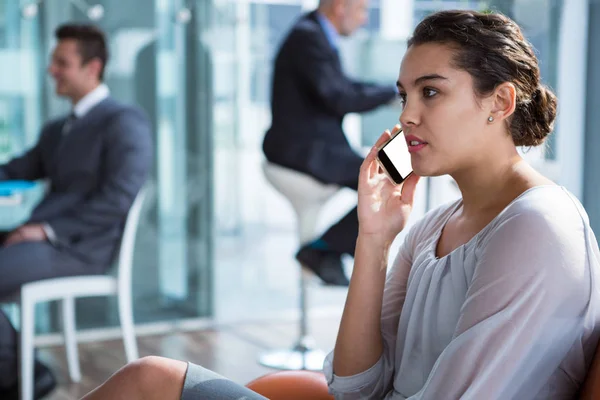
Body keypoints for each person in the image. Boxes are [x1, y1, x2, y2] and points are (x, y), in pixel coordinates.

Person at [81, 9, 600, 400]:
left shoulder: (537, 227)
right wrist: (372, 238)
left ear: (501, 102)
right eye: (403, 96)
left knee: (151, 380)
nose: (408, 117)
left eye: (431, 93)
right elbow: (355, 385)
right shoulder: (431, 227)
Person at [0, 24, 152, 399]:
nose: (51, 70)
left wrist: (46, 230)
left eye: (61, 62)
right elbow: (16, 170)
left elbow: (117, 198)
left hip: (82, 248)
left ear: (92, 68)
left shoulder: (124, 122)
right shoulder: (59, 129)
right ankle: (22, 367)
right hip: (44, 242)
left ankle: (22, 376)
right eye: (53, 61)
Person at [262, 0, 398, 286]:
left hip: (312, 145)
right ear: (340, 7)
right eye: (361, 10)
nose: (363, 20)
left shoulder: (313, 33)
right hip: (301, 150)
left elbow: (344, 87)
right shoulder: (308, 37)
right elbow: (340, 97)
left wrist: (391, 90)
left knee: (393, 167)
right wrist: (390, 94)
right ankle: (321, 250)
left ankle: (326, 248)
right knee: (390, 173)